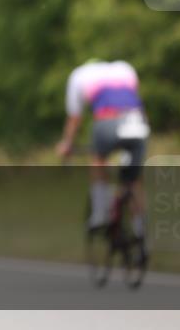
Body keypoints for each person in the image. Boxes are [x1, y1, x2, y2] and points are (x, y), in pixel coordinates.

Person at [56, 59, 149, 243]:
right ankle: (141, 231)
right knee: (133, 179)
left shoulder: (78, 75)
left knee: (98, 159)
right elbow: (132, 101)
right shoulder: (125, 68)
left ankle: (100, 214)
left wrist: (67, 144)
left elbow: (75, 118)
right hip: (138, 123)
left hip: (108, 121)